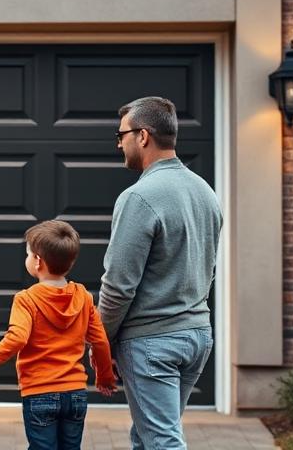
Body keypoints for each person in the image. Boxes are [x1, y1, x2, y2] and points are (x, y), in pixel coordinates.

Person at [98, 96, 222, 450]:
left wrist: (99, 340)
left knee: (162, 441)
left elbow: (118, 286)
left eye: (121, 134)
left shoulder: (139, 197)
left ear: (143, 135)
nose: (118, 142)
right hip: (196, 336)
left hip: (153, 342)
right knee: (147, 435)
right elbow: (206, 268)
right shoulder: (205, 192)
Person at [0, 220, 116, 450]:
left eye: (28, 253)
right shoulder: (83, 297)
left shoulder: (26, 299)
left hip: (40, 392)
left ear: (38, 261)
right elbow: (99, 340)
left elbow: (17, 338)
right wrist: (104, 376)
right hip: (75, 393)